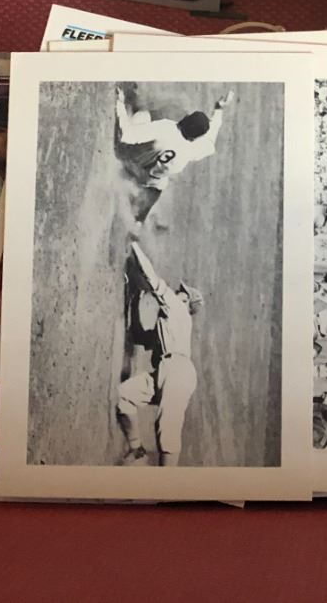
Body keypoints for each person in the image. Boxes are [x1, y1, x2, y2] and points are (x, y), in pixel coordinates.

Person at [115, 245, 202, 466]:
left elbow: (151, 277)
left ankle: (166, 482)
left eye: (181, 292)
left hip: (177, 371)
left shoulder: (177, 308)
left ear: (186, 302)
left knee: (167, 432)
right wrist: (135, 297)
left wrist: (134, 245)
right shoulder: (169, 324)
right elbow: (139, 336)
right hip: (166, 371)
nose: (176, 292)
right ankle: (137, 451)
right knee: (124, 397)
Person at [113, 85, 233, 223]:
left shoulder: (166, 127)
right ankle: (139, 220)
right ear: (195, 137)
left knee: (143, 115)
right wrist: (219, 109)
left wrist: (120, 103)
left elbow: (127, 135)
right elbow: (210, 140)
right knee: (160, 185)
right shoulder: (193, 149)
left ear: (185, 119)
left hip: (130, 164)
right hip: (149, 181)